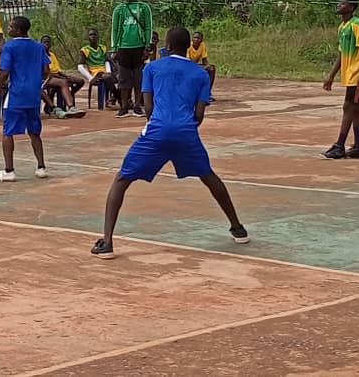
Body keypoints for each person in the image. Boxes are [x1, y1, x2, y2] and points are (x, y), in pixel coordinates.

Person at [90, 26, 249, 259]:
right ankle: (237, 228)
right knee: (208, 176)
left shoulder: (152, 67)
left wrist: (159, 126)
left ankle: (107, 242)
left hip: (157, 130)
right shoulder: (200, 73)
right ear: (188, 47)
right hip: (186, 131)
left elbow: (149, 107)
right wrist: (183, 129)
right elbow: (200, 114)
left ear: (168, 45)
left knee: (122, 179)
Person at [0, 16, 49, 182]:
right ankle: (41, 167)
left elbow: (4, 71)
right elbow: (46, 69)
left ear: (17, 30)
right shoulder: (39, 47)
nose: (8, 29)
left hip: (17, 93)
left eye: (10, 26)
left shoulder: (10, 46)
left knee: (8, 131)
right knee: (34, 132)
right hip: (34, 94)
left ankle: (9, 170)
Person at [321, 0, 359, 160]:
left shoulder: (356, 25)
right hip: (349, 74)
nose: (338, 5)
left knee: (348, 107)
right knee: (355, 109)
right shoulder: (342, 27)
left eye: (342, 3)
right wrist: (331, 75)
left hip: (357, 74)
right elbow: (341, 53)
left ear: (350, 7)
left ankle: (340, 145)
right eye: (339, 2)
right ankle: (358, 146)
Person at [110, 0, 153, 118]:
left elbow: (148, 27)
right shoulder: (119, 9)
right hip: (123, 47)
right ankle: (123, 106)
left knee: (138, 78)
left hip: (139, 47)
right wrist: (115, 48)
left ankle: (137, 106)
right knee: (123, 78)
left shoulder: (143, 7)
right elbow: (115, 29)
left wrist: (147, 45)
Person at [39, 35, 85, 119]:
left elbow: (57, 69)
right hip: (45, 78)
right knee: (63, 82)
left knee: (79, 81)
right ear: (40, 44)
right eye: (44, 42)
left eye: (48, 42)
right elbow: (46, 72)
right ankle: (63, 107)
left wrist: (64, 75)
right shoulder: (39, 54)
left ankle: (69, 100)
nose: (46, 44)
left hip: (55, 75)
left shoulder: (52, 55)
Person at [78, 28, 119, 104]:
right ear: (88, 37)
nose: (93, 36)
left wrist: (108, 71)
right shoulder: (85, 50)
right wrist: (90, 78)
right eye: (90, 35)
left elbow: (106, 61)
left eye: (94, 34)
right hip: (95, 74)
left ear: (98, 37)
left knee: (123, 77)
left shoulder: (102, 48)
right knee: (107, 77)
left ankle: (116, 97)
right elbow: (80, 67)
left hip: (105, 72)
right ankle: (119, 98)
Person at [187, 31, 216, 100]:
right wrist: (203, 67)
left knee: (212, 68)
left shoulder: (202, 45)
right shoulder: (188, 47)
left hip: (196, 65)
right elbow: (188, 62)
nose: (196, 39)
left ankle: (207, 92)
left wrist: (208, 66)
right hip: (187, 65)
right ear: (192, 39)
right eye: (194, 38)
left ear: (201, 40)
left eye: (198, 38)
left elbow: (204, 59)